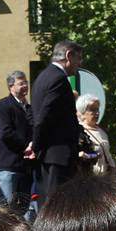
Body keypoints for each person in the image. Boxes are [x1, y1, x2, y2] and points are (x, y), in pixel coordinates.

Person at [31, 40, 84, 206]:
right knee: (58, 207)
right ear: (68, 56)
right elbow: (44, 117)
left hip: (49, 155)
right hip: (58, 156)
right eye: (79, 58)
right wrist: (35, 145)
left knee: (51, 205)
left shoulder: (43, 77)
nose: (80, 63)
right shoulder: (58, 79)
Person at [0, 70, 35, 216]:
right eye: (21, 83)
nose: (25, 86)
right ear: (11, 86)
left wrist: (34, 146)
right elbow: (5, 133)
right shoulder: (3, 106)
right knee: (7, 210)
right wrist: (25, 147)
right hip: (8, 167)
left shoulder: (30, 109)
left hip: (26, 167)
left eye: (26, 83)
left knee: (24, 209)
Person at [76, 93, 116, 177]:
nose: (97, 113)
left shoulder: (102, 132)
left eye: (97, 109)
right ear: (82, 112)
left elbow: (108, 157)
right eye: (93, 110)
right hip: (87, 181)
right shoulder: (78, 131)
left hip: (105, 181)